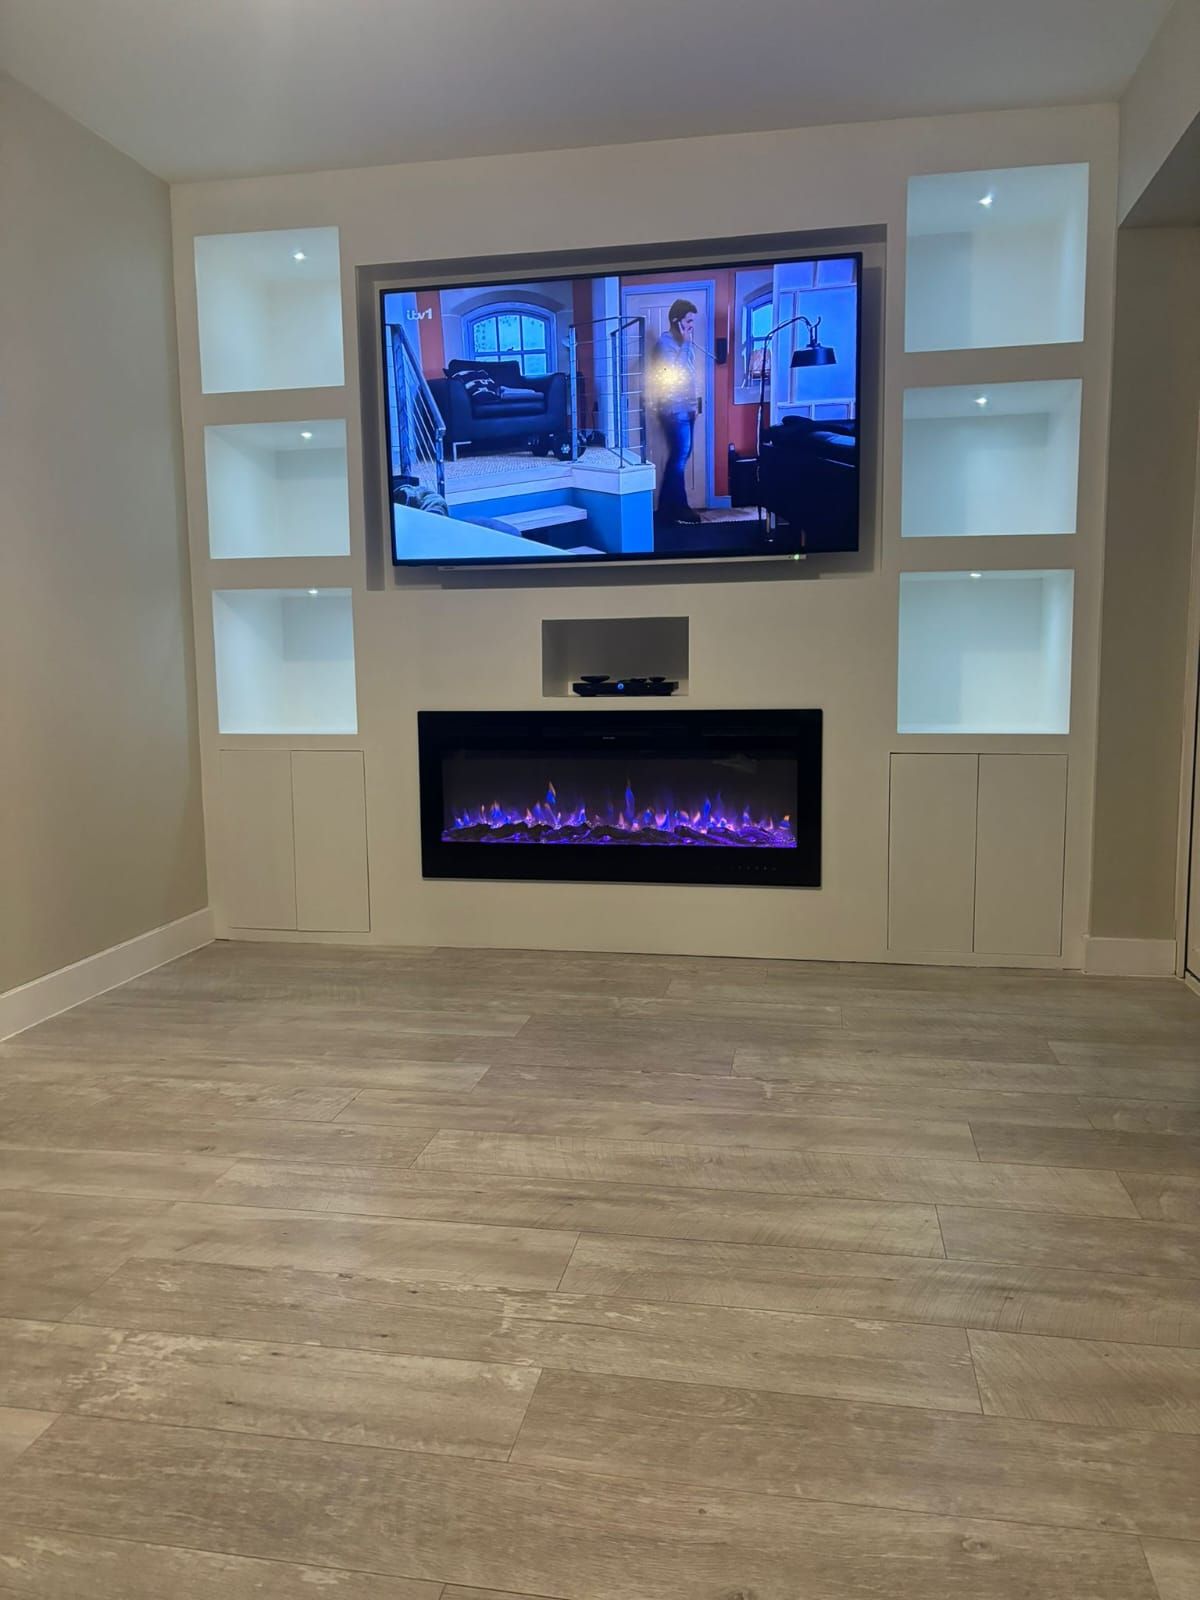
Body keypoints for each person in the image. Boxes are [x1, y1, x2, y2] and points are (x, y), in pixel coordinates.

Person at [650, 298, 701, 526]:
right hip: (673, 407)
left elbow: (690, 374)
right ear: (676, 321)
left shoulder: (684, 343)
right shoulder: (665, 344)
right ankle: (679, 508)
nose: (691, 326)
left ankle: (666, 509)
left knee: (681, 456)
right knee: (679, 457)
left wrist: (694, 404)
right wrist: (686, 344)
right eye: (688, 321)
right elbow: (673, 374)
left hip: (686, 406)